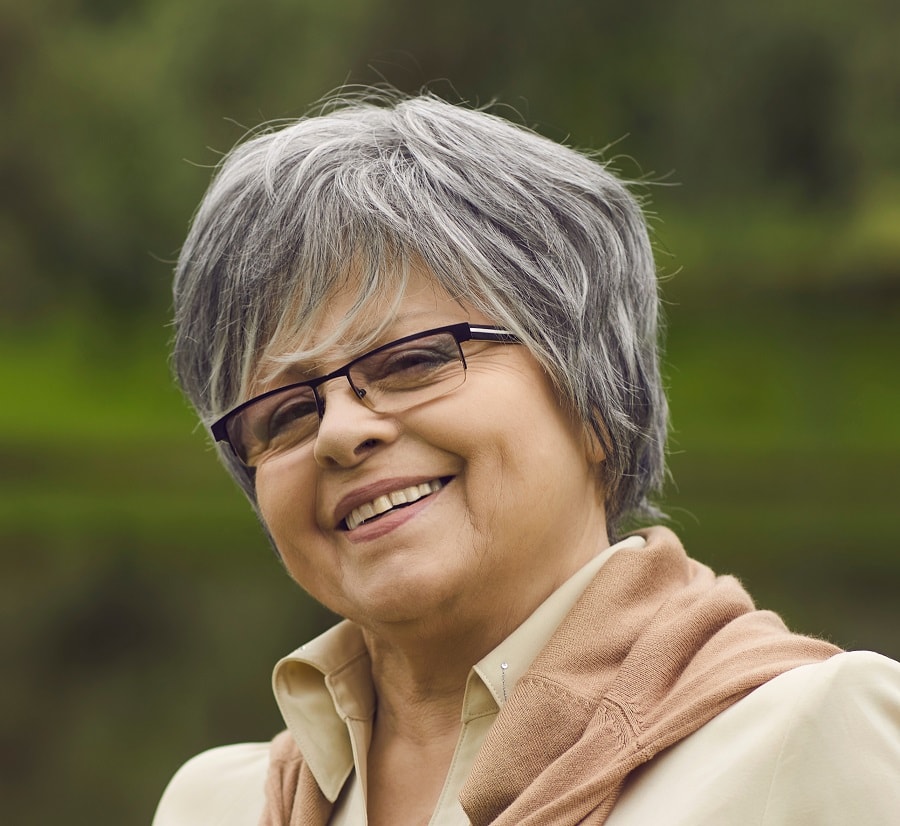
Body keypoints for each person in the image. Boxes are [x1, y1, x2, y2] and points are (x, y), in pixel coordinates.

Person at [153, 91, 900, 825]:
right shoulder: (217, 806)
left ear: (595, 398)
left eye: (412, 361)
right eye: (284, 414)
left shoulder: (811, 737)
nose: (340, 433)